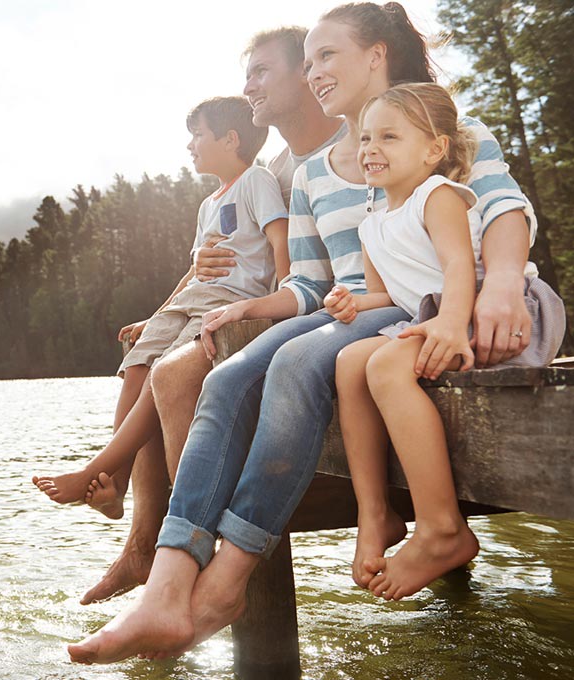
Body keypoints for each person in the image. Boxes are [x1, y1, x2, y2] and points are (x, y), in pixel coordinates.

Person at [67, 2, 537, 665]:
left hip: (419, 306)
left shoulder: (445, 133)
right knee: (227, 377)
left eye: (327, 56)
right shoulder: (315, 172)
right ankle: (169, 583)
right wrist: (248, 310)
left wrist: (504, 284)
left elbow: (504, 211)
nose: (314, 72)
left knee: (292, 367)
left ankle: (226, 582)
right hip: (355, 307)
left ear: (376, 55)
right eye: (308, 60)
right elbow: (312, 283)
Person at [76, 25, 345, 606]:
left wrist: (259, 303)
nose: (248, 85)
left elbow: (293, 263)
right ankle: (143, 546)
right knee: (149, 362)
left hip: (319, 312)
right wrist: (196, 270)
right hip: (275, 307)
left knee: (174, 373)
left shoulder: (359, 140)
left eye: (261, 72)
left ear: (307, 74)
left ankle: (180, 554)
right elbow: (245, 242)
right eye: (246, 74)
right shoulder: (272, 167)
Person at [330, 82, 565, 601]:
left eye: (389, 137)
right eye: (367, 138)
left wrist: (453, 324)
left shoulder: (437, 196)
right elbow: (385, 295)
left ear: (434, 149)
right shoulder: (371, 226)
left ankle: (442, 529)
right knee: (350, 361)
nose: (371, 149)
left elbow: (459, 265)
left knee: (387, 367)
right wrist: (351, 303)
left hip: (492, 311)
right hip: (439, 315)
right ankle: (375, 514)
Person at [32, 95, 290, 513]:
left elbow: (280, 238)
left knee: (162, 374)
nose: (190, 146)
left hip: (229, 300)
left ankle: (96, 468)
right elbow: (193, 272)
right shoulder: (208, 203)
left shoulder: (256, 182)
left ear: (230, 140)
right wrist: (156, 316)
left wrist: (282, 297)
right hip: (191, 299)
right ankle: (114, 483)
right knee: (137, 363)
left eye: (197, 135)